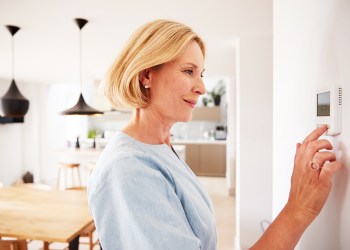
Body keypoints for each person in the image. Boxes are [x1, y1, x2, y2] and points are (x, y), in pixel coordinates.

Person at [87, 19, 342, 250]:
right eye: (188, 71)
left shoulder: (161, 147)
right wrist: (298, 209)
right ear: (146, 76)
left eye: (201, 74)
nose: (201, 87)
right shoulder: (129, 168)